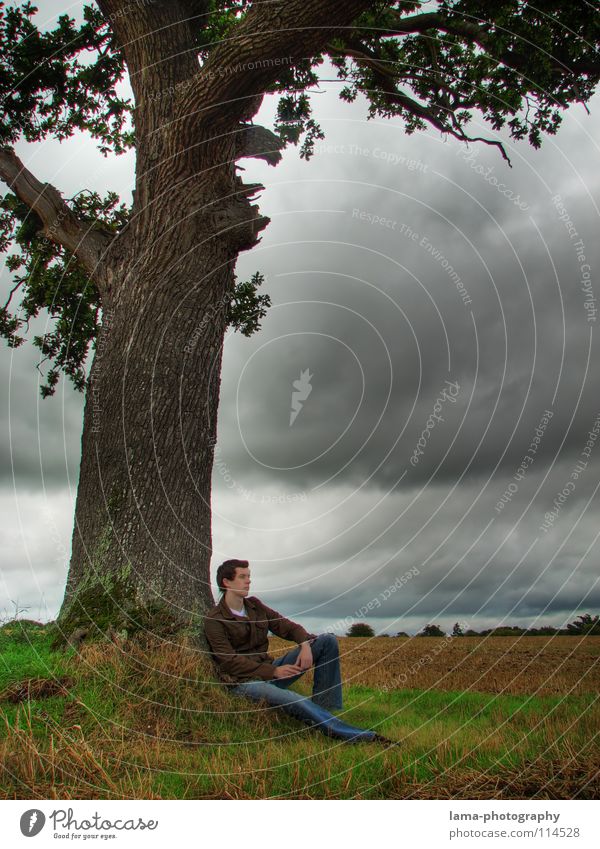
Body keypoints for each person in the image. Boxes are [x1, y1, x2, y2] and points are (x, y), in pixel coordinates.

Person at [203, 558, 396, 744]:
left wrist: (304, 645)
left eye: (249, 576)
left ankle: (327, 710)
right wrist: (274, 672)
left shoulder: (255, 606)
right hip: (243, 682)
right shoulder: (215, 619)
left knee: (326, 641)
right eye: (242, 577)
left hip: (270, 670)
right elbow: (229, 661)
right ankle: (360, 736)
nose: (249, 580)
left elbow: (287, 626)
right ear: (226, 582)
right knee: (294, 700)